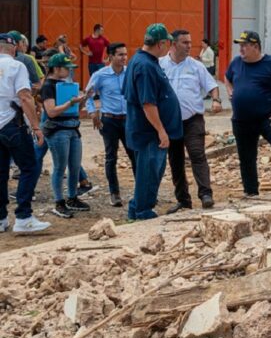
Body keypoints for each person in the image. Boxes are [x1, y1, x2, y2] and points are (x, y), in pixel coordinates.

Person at [225, 31, 271, 198]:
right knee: (246, 155)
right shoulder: (236, 63)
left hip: (267, 117)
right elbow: (227, 77)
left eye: (244, 46)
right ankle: (250, 190)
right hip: (242, 120)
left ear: (256, 46)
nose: (241, 49)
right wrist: (231, 92)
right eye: (240, 45)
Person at [123, 23, 182, 220]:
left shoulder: (143, 61)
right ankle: (142, 211)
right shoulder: (145, 65)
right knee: (149, 173)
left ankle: (136, 208)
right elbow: (148, 103)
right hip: (149, 132)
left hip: (147, 130)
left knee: (149, 171)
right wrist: (161, 131)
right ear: (161, 43)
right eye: (168, 44)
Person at [160, 30, 221, 214]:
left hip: (193, 120)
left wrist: (216, 100)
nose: (189, 46)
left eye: (190, 42)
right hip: (170, 122)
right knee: (175, 160)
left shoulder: (196, 66)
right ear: (173, 44)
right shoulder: (160, 65)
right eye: (185, 42)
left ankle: (205, 195)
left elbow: (212, 86)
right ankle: (183, 200)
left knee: (197, 154)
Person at [0, 33, 50, 233]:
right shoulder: (16, 66)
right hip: (12, 124)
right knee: (29, 166)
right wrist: (36, 127)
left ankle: (1, 218)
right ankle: (23, 216)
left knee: (1, 172)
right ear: (13, 49)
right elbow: (25, 96)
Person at [34, 49, 93, 193]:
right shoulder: (48, 86)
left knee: (74, 167)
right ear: (57, 68)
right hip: (57, 131)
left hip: (72, 128)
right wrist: (70, 103)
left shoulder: (66, 85)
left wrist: (83, 99)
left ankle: (73, 197)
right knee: (60, 168)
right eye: (66, 68)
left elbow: (74, 111)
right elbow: (52, 112)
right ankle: (59, 201)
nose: (69, 71)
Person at [85, 43, 136, 207]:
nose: (124, 58)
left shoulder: (131, 72)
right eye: (120, 55)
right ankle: (114, 193)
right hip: (109, 121)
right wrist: (92, 112)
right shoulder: (100, 75)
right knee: (111, 157)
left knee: (135, 155)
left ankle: (141, 191)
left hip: (129, 120)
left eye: (125, 54)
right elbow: (88, 95)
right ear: (111, 56)